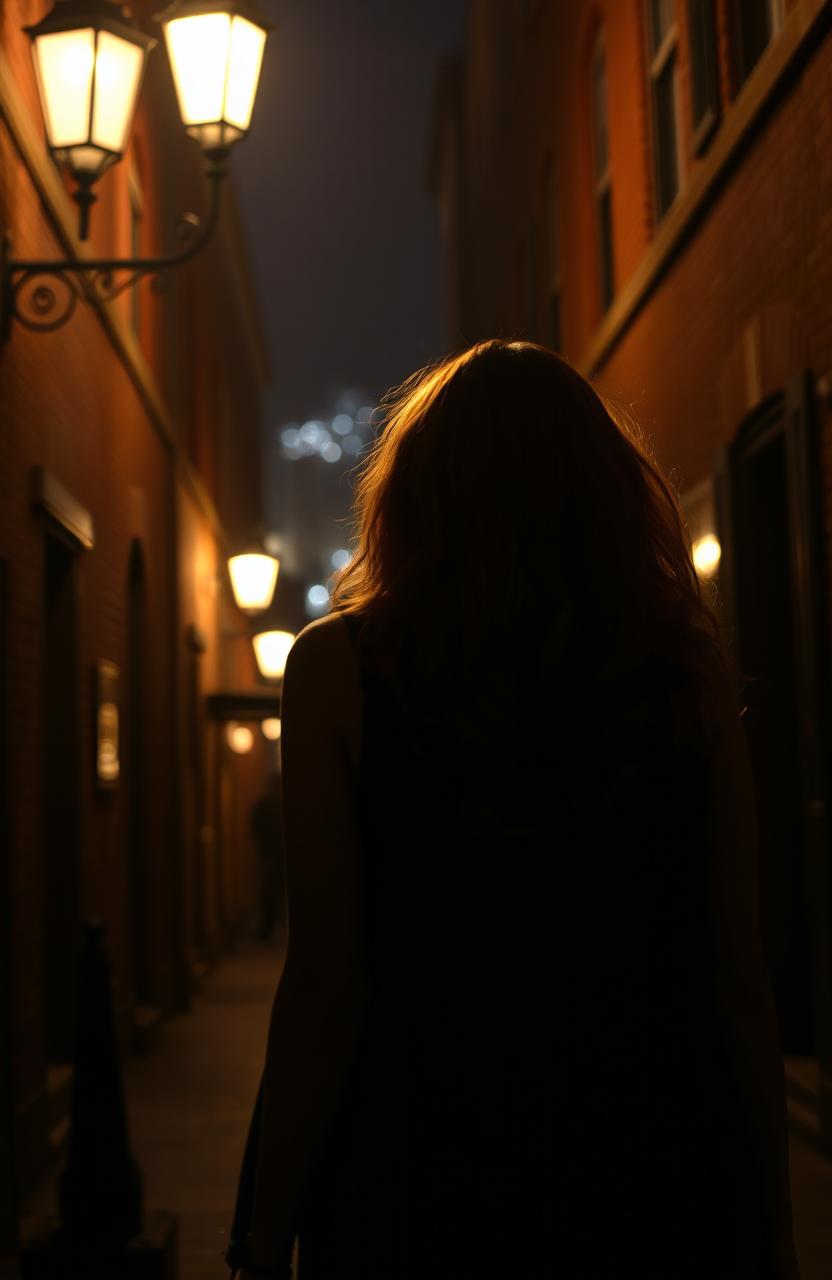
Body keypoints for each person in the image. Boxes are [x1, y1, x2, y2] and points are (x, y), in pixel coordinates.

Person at [226, 340, 800, 1279]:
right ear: (602, 492)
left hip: (417, 1163)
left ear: (417, 494)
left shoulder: (339, 669)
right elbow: (737, 971)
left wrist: (265, 1224)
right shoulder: (679, 670)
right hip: (651, 1159)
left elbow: (328, 981)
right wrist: (775, 1226)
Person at [250, 768, 285, 943]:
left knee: (271, 892)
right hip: (272, 855)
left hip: (272, 855)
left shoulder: (272, 805)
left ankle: (269, 928)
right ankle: (269, 927)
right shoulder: (275, 806)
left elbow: (254, 829)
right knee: (270, 893)